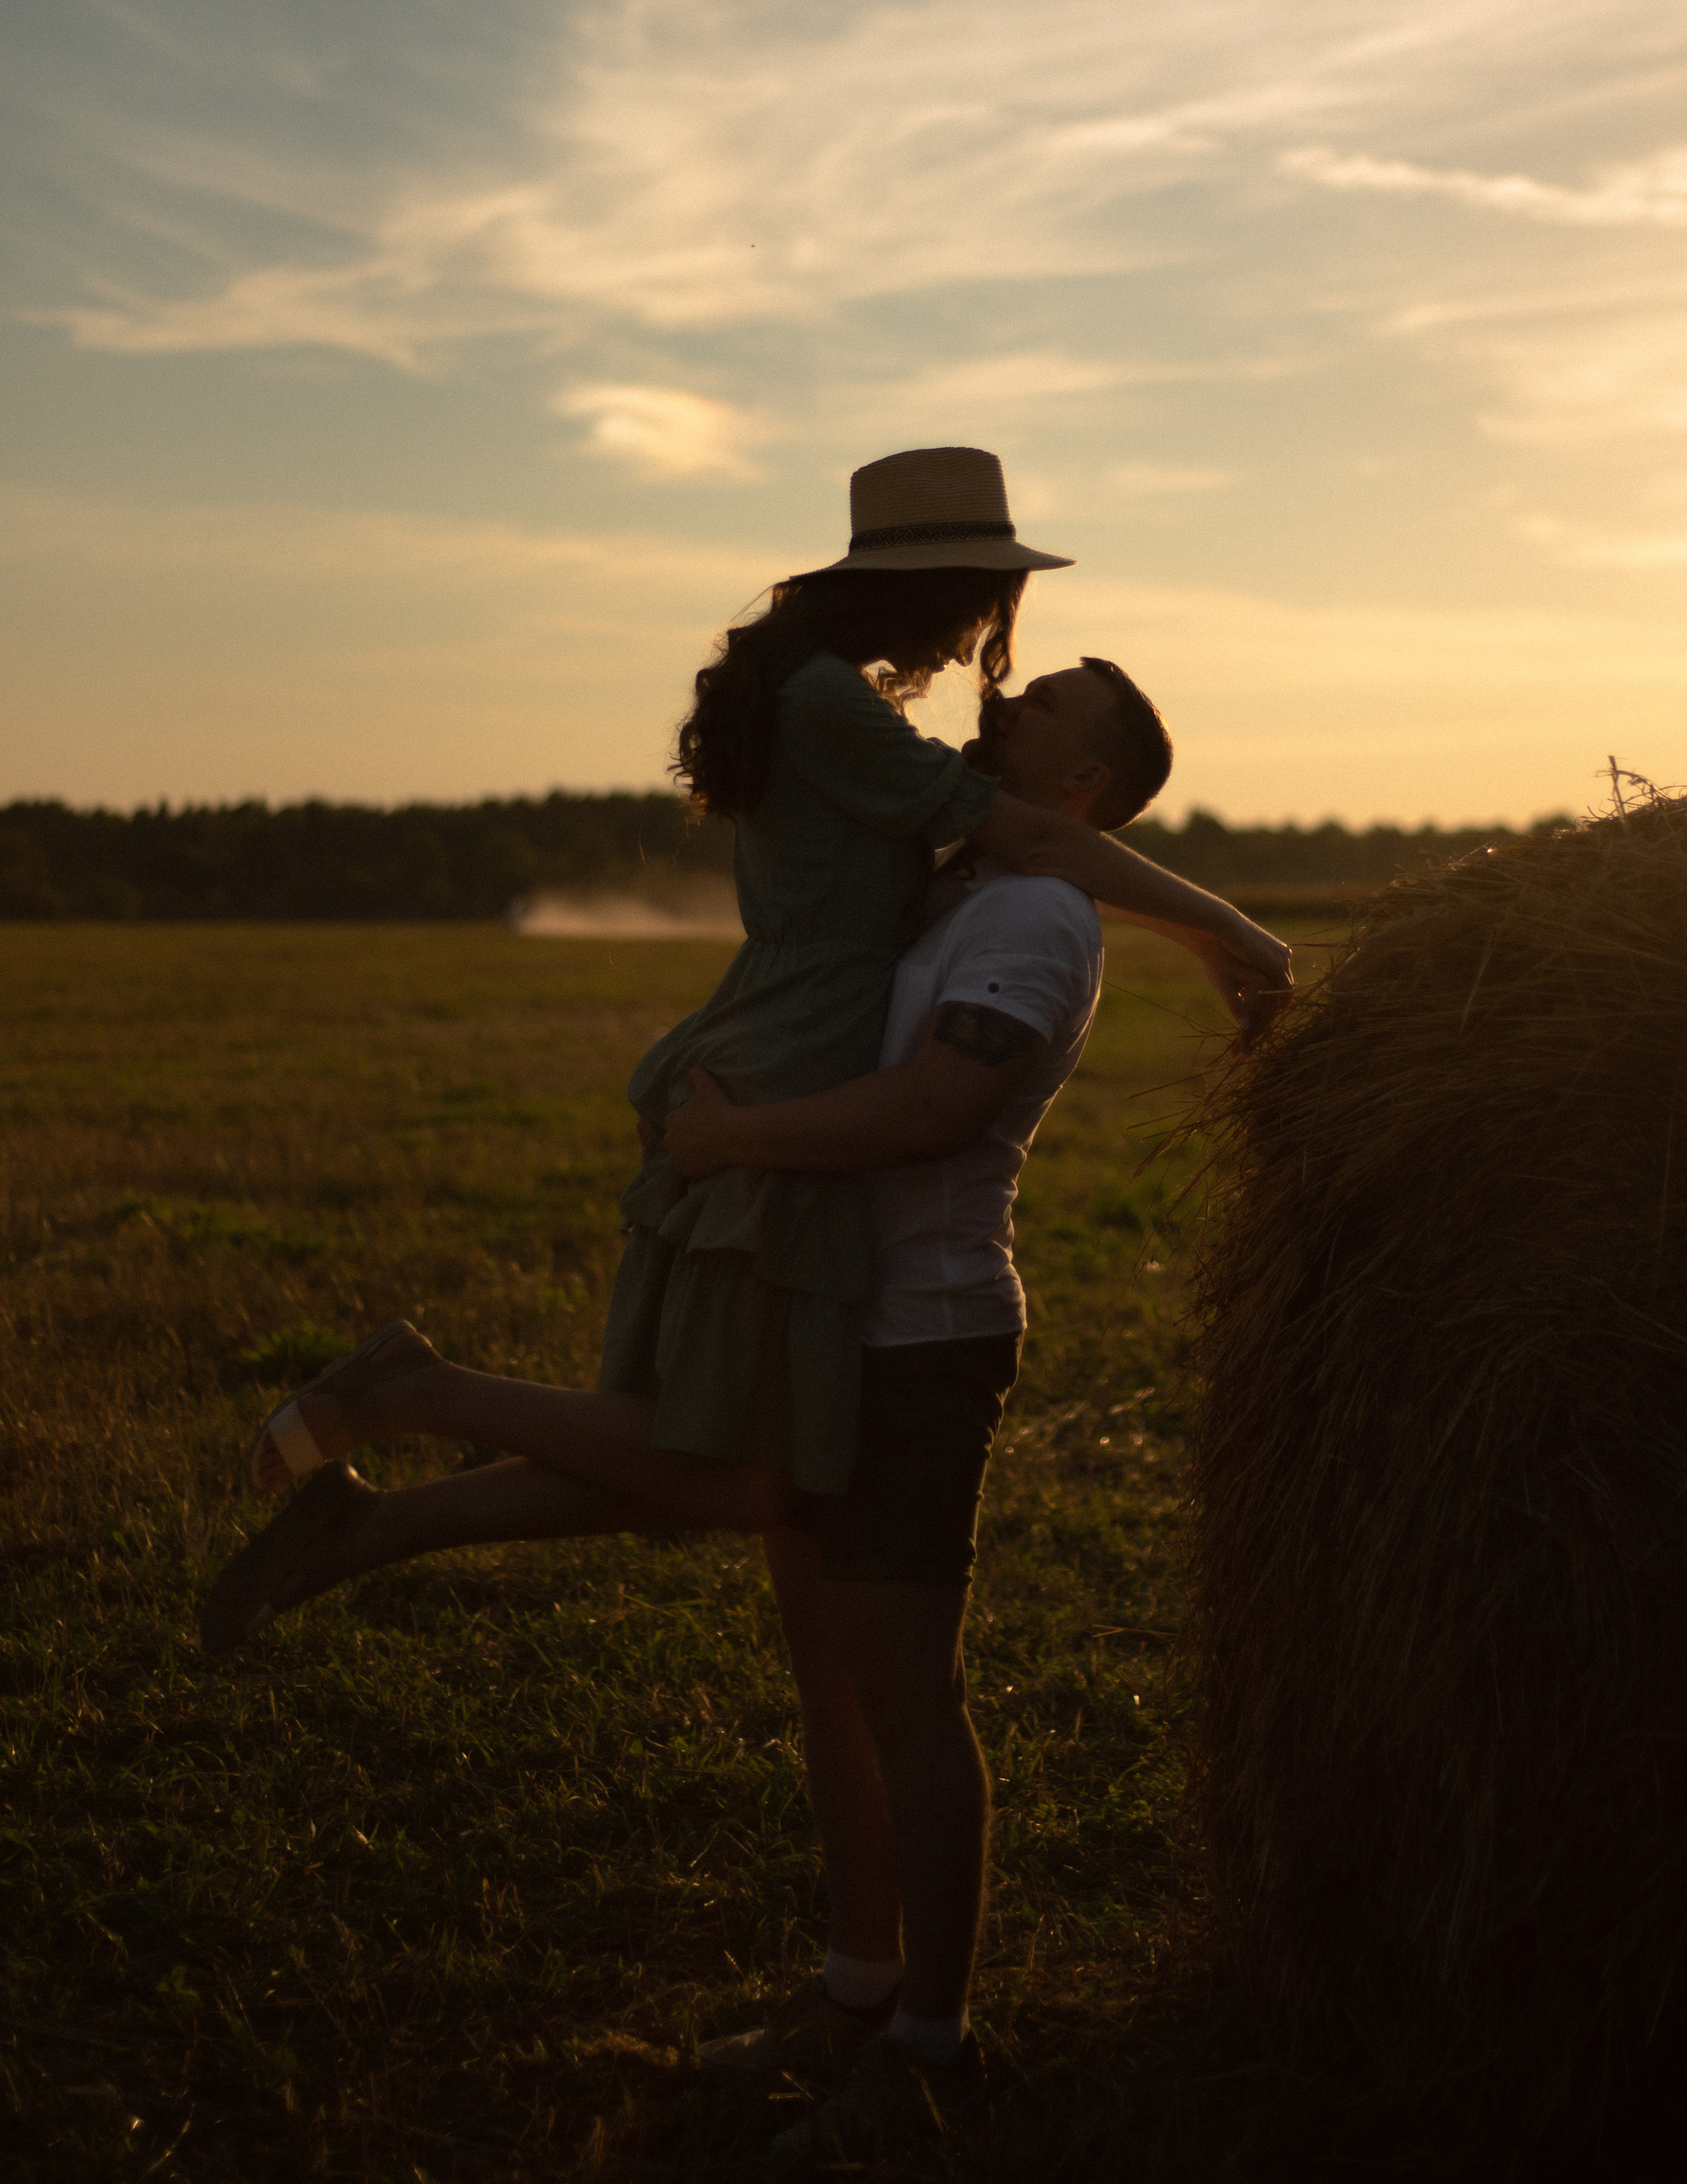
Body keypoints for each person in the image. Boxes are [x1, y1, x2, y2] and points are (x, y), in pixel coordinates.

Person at [201, 448, 1291, 1649]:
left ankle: (367, 1518)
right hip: (789, 1058)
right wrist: (1229, 924)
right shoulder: (834, 703)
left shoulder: (837, 698)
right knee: (720, 1455)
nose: (996, 645)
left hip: (791, 1044)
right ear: (947, 588)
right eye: (989, 599)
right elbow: (1035, 833)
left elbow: (1036, 849)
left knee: (729, 1463)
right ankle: (414, 1392)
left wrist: (1202, 937)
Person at [662, 652, 1211, 2169]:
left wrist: (732, 1143)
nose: (1010, 697)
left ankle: (928, 2048)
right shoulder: (964, 882)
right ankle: (853, 1992)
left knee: (906, 1701)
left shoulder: (1033, 917)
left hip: (923, 1338)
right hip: (845, 1324)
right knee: (834, 1684)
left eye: (1050, 703)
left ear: (1079, 780)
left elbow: (934, 1110)